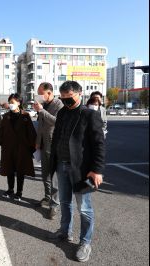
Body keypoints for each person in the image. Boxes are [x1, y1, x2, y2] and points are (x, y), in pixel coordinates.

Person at [49, 81, 105, 262]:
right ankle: (65, 232)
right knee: (65, 202)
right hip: (61, 165)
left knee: (84, 208)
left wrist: (96, 170)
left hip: (81, 170)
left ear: (80, 94)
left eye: (69, 98)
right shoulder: (62, 113)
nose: (66, 102)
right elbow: (57, 137)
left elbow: (99, 144)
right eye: (63, 98)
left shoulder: (89, 115)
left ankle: (85, 242)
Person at [33, 82, 64, 219]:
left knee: (54, 177)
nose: (39, 96)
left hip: (53, 144)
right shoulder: (43, 105)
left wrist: (42, 111)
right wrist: (37, 142)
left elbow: (57, 122)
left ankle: (54, 204)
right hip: (43, 144)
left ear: (49, 93)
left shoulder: (59, 105)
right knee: (45, 174)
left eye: (41, 93)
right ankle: (47, 197)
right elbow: (40, 125)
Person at [0, 93, 36, 201]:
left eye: (13, 102)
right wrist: (2, 143)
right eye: (9, 102)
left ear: (19, 103)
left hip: (22, 148)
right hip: (8, 147)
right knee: (9, 170)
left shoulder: (25, 116)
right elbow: (1, 132)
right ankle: (10, 189)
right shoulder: (6, 116)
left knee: (20, 171)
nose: (10, 104)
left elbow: (31, 133)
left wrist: (31, 148)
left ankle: (19, 192)